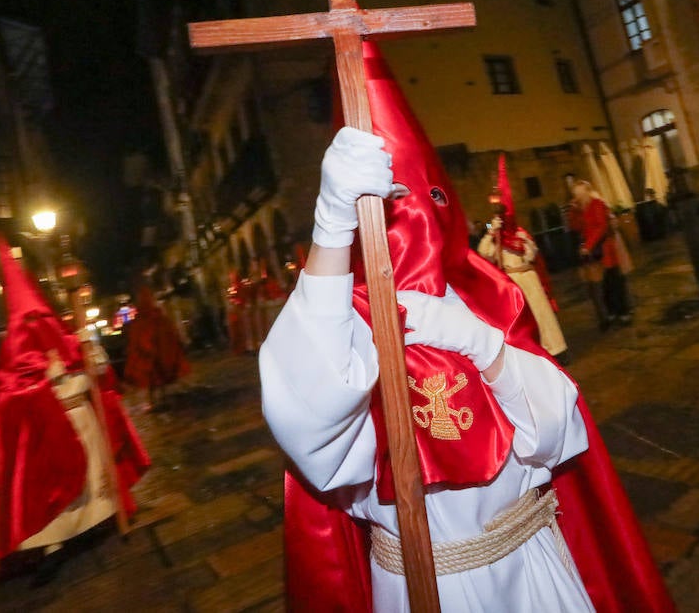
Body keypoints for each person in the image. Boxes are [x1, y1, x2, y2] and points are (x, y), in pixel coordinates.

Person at [259, 41, 672, 612]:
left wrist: (484, 346)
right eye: (391, 201)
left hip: (532, 563)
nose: (415, 218)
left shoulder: (486, 294)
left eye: (429, 195)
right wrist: (331, 229)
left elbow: (557, 428)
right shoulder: (334, 315)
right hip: (428, 582)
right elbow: (309, 419)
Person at [0, 234, 149, 581]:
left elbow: (96, 369)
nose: (36, 329)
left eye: (39, 321)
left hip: (81, 416)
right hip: (46, 428)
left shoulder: (64, 335)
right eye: (29, 324)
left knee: (93, 476)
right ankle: (54, 545)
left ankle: (96, 520)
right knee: (54, 486)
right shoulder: (14, 354)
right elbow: (7, 391)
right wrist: (40, 387)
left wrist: (90, 358)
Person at [478, 155, 568, 362]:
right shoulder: (494, 233)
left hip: (529, 279)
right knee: (523, 319)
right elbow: (484, 252)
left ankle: (555, 349)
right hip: (513, 283)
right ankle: (531, 353)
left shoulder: (520, 233)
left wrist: (522, 243)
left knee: (542, 316)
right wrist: (492, 232)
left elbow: (531, 253)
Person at [567, 179, 633, 330]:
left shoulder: (597, 204)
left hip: (604, 250)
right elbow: (576, 227)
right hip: (592, 253)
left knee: (614, 280)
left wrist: (589, 246)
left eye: (579, 194)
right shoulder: (579, 209)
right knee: (600, 284)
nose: (577, 197)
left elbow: (601, 227)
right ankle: (611, 311)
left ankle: (622, 311)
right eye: (576, 194)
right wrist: (573, 212)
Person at [123, 283, 191, 409]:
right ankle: (159, 397)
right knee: (156, 377)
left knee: (154, 378)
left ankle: (155, 399)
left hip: (153, 352)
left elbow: (162, 334)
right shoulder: (154, 318)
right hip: (154, 353)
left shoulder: (150, 319)